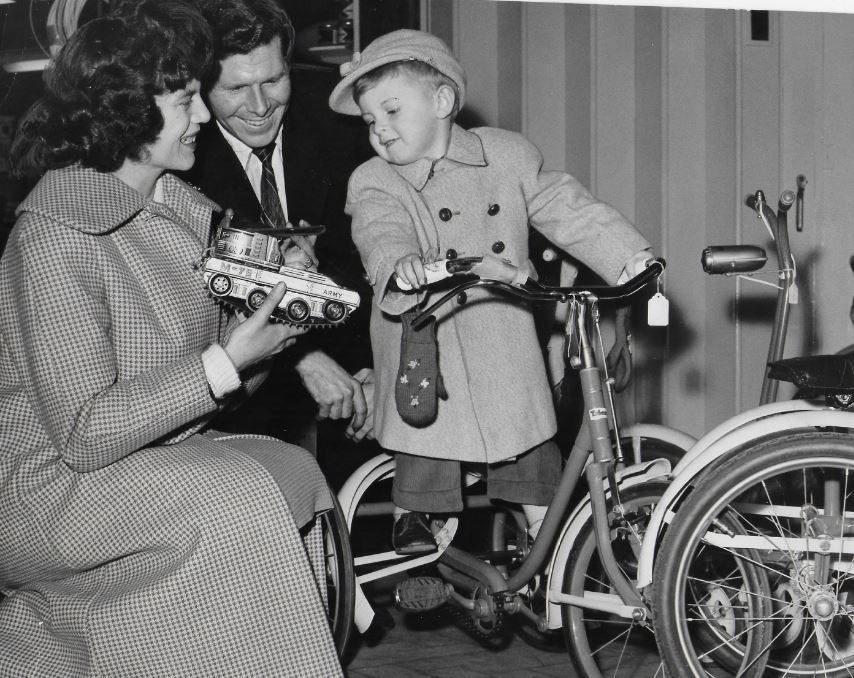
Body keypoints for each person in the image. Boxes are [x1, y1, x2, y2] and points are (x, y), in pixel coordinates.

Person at [0, 2, 343, 675]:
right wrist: (225, 358)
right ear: (129, 113)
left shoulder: (181, 210)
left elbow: (220, 387)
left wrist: (278, 322)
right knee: (239, 497)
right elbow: (84, 433)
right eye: (188, 99)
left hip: (141, 457)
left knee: (294, 471)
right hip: (45, 484)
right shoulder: (53, 234)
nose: (208, 117)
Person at [328, 29, 653, 554]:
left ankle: (550, 544)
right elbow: (378, 229)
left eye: (391, 111)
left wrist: (628, 256)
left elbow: (566, 208)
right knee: (425, 431)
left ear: (441, 101)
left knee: (526, 434)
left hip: (500, 333)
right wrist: (400, 263)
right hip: (426, 333)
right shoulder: (375, 180)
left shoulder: (506, 156)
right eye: (370, 122)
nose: (380, 132)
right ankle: (418, 526)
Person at [182, 0, 375, 450]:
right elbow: (201, 300)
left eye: (273, 79)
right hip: (242, 382)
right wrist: (304, 359)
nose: (260, 106)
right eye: (235, 88)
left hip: (356, 353)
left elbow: (381, 246)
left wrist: (381, 367)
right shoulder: (178, 158)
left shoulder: (340, 112)